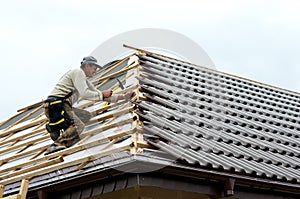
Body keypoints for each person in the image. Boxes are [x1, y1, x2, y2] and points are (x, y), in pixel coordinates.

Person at [44, 56, 134, 155]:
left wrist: (123, 97)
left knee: (86, 116)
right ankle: (56, 145)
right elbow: (85, 93)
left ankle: (56, 128)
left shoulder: (84, 80)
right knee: (79, 126)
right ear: (87, 65)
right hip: (57, 104)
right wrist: (102, 94)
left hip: (57, 105)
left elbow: (99, 95)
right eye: (94, 68)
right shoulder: (78, 73)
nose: (95, 71)